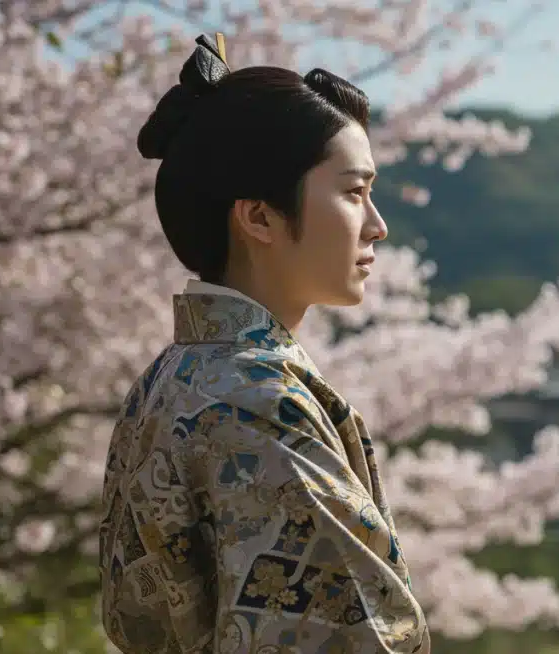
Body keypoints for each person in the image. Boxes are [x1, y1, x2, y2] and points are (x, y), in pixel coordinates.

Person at [97, 34, 429, 654]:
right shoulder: (258, 401)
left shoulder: (166, 380)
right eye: (355, 193)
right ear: (259, 217)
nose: (378, 225)